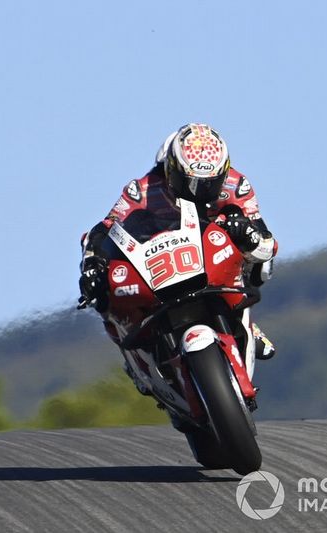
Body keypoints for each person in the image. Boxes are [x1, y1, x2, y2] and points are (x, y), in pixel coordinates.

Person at [78, 123, 277, 394]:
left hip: (213, 254)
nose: (198, 192)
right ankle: (135, 360)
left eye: (208, 184)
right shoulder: (143, 190)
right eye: (190, 183)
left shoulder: (236, 185)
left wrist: (248, 233)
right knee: (103, 292)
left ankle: (245, 321)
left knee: (262, 263)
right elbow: (105, 228)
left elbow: (267, 241)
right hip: (163, 259)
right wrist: (92, 263)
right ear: (172, 170)